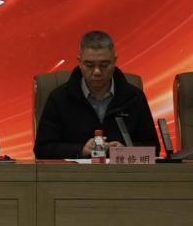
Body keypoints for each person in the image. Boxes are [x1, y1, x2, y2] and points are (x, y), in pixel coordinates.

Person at [33, 30, 158, 159]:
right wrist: (81, 150)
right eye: (89, 65)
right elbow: (42, 149)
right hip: (75, 171)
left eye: (104, 65)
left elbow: (154, 150)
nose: (97, 72)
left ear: (114, 61)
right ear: (79, 62)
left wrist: (125, 151)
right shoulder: (59, 98)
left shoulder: (134, 97)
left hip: (121, 170)